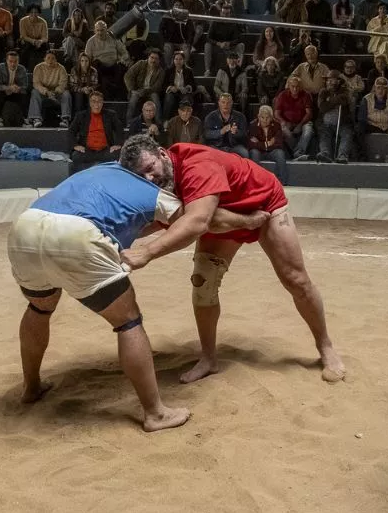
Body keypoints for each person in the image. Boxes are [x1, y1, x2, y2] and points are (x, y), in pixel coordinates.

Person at [9, 163, 267, 432]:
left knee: (39, 308)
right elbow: (204, 220)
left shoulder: (101, 169)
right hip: (76, 234)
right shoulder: (151, 190)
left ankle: (32, 387)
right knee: (128, 322)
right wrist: (249, 221)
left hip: (25, 226)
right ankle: (155, 413)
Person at [118, 137, 346, 384]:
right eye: (143, 176)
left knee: (296, 280)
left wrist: (147, 252)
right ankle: (208, 359)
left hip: (263, 206)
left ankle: (326, 347)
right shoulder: (158, 182)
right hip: (219, 219)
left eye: (151, 168)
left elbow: (196, 224)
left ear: (162, 154)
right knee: (202, 284)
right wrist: (113, 235)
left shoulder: (197, 165)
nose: (150, 179)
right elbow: (164, 219)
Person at [69, 90, 123, 172]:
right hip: (87, 150)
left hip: (105, 150)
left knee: (118, 155)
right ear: (90, 103)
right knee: (76, 156)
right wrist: (75, 145)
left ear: (102, 103)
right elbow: (71, 131)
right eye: (93, 102)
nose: (96, 105)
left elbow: (120, 129)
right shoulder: (81, 115)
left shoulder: (110, 114)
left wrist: (118, 144)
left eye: (99, 102)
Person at [248, 104, 289, 184]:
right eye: (262, 117)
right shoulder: (253, 125)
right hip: (259, 151)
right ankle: (257, 182)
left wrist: (259, 144)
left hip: (272, 151)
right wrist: (267, 144)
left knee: (280, 153)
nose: (264, 120)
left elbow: (279, 143)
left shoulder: (276, 125)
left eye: (267, 118)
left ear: (271, 117)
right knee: (254, 152)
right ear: (258, 117)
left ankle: (282, 182)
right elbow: (251, 144)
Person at [204, 92, 250, 158]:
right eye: (223, 102)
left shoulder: (240, 116)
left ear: (232, 103)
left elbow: (244, 134)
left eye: (228, 103)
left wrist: (236, 132)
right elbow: (207, 134)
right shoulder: (211, 117)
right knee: (208, 154)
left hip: (234, 146)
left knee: (244, 153)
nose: (226, 105)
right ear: (219, 103)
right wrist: (221, 132)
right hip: (216, 146)